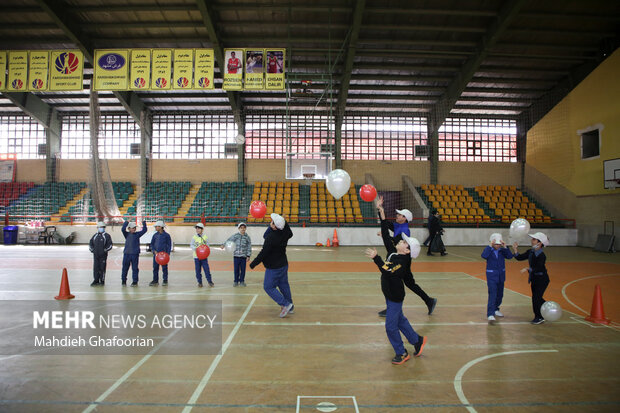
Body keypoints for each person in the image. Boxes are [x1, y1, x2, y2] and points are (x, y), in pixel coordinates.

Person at [365, 232, 427, 365]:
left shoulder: (402, 261)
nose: (402, 241)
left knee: (391, 326)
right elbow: (391, 245)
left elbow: (387, 270)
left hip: (395, 297)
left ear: (407, 250)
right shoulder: (397, 255)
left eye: (405, 242)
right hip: (389, 294)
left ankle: (401, 352)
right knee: (400, 321)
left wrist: (376, 258)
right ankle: (417, 341)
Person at [376, 196, 437, 317]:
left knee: (391, 281)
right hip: (401, 258)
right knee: (409, 283)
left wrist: (385, 236)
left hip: (402, 260)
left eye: (400, 215)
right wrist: (380, 209)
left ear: (405, 219)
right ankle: (429, 301)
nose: (397, 216)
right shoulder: (398, 226)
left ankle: (392, 308)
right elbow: (386, 224)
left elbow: (395, 243)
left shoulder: (405, 230)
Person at [249, 213, 294, 317]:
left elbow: (263, 253)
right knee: (283, 285)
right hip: (283, 264)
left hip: (273, 267)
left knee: (268, 287)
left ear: (274, 226)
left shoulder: (271, 237)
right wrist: (284, 222)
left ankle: (285, 304)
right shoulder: (285, 232)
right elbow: (290, 233)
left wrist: (253, 263)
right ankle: (291, 307)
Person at [512, 232, 550, 324]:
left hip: (542, 279)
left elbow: (539, 267)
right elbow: (520, 257)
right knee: (537, 298)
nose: (532, 241)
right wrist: (515, 250)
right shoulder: (531, 251)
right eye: (532, 239)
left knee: (536, 298)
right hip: (534, 279)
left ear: (540, 243)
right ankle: (548, 307)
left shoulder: (541, 255)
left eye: (534, 239)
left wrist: (528, 269)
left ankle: (539, 317)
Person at [481, 233, 513, 321]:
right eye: (496, 244)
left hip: (501, 276)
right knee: (493, 294)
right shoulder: (489, 250)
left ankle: (496, 309)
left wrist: (505, 247)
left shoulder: (502, 251)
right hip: (492, 276)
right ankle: (490, 313)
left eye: (499, 244)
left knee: (500, 295)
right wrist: (490, 246)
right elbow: (484, 255)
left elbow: (510, 256)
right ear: (492, 243)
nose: (498, 246)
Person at [222, 222, 252, 287]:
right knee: (236, 269)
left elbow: (249, 246)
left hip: (243, 256)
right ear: (239, 228)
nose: (243, 229)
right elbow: (229, 240)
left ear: (245, 229)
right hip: (236, 256)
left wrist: (248, 255)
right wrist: (224, 245)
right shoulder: (235, 236)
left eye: (244, 228)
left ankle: (242, 281)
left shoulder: (247, 237)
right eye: (241, 228)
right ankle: (236, 281)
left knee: (243, 270)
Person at [121, 220, 147, 286]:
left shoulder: (137, 234)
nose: (134, 229)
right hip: (127, 254)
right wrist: (126, 222)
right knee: (125, 268)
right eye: (132, 228)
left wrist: (144, 223)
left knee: (135, 268)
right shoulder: (126, 234)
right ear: (129, 228)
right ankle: (124, 280)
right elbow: (123, 229)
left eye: (134, 228)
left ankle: (135, 281)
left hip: (135, 254)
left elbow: (144, 230)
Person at [88, 221, 112, 286]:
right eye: (100, 227)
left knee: (102, 268)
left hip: (103, 256)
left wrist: (105, 250)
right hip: (96, 255)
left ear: (104, 228)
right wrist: (92, 250)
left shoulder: (107, 236)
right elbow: (90, 243)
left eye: (102, 227)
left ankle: (102, 280)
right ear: (97, 227)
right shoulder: (95, 236)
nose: (101, 228)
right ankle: (96, 280)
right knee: (95, 268)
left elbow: (110, 245)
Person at [150, 220, 172, 286]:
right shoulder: (155, 235)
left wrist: (167, 254)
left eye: (157, 226)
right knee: (155, 268)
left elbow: (169, 245)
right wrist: (154, 250)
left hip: (164, 255)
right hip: (156, 255)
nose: (156, 228)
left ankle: (165, 280)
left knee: (164, 268)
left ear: (161, 227)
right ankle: (155, 280)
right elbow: (152, 244)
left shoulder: (167, 235)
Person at [191, 223, 213, 287]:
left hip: (204, 257)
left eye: (199, 228)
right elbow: (191, 245)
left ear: (202, 229)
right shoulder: (194, 237)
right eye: (196, 228)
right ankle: (199, 282)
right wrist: (196, 249)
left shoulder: (205, 237)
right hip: (196, 257)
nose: (197, 230)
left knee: (206, 269)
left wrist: (206, 251)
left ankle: (210, 281)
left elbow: (208, 245)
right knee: (198, 270)